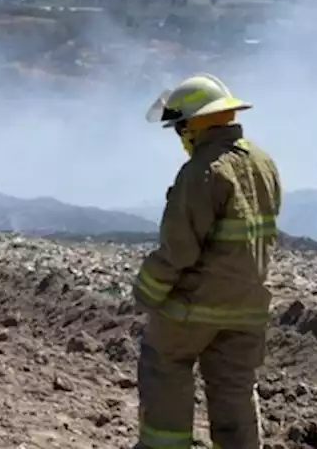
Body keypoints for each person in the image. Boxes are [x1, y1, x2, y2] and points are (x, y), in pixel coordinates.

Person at [132, 73, 282, 449]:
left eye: (180, 125)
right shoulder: (263, 163)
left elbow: (178, 250)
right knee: (235, 391)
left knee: (164, 367)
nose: (180, 135)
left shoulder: (201, 172)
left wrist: (145, 292)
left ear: (195, 124)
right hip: (247, 309)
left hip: (194, 308)